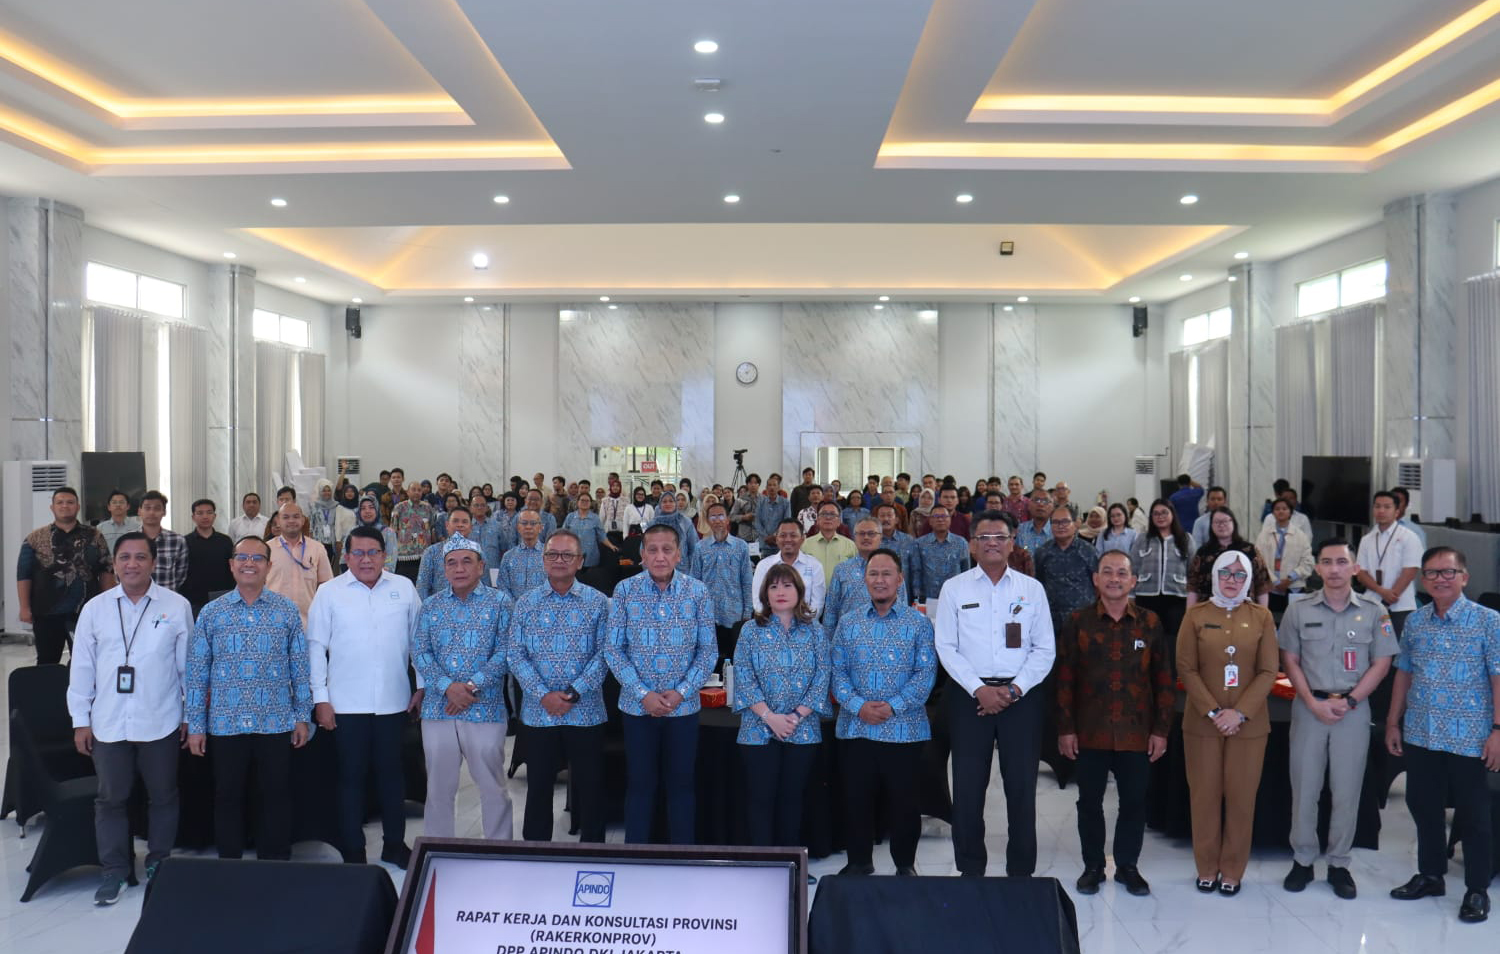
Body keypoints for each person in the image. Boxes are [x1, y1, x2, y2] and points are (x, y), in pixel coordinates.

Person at [67, 532, 193, 905]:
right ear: (115, 564)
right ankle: (115, 870)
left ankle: (159, 863)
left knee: (163, 796)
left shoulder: (176, 606)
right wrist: (80, 719)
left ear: (153, 562)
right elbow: (82, 668)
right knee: (110, 800)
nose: (132, 564)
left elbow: (188, 668)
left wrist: (190, 716)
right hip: (108, 721)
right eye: (125, 557)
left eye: (140, 557)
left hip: (162, 717)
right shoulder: (96, 608)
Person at [933, 511, 1056, 877]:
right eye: (984, 536)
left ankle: (1021, 872)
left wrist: (1013, 690)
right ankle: (970, 870)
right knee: (968, 790)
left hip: (1021, 697)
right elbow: (947, 647)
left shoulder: (1031, 589)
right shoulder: (954, 588)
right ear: (971, 543)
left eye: (999, 536)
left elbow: (1044, 649)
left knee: (1021, 789)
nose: (992, 543)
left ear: (1012, 542)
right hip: (969, 697)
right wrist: (980, 689)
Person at [1385, 546, 1499, 924]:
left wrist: (1498, 730)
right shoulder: (1416, 622)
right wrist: (1392, 721)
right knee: (1423, 807)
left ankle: (1477, 889)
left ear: (1464, 577)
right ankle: (1431, 875)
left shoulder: (1488, 621)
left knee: (1474, 816)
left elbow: (1499, 679)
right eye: (1432, 573)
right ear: (1423, 579)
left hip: (1470, 735)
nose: (1440, 579)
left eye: (1448, 572)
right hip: (1421, 732)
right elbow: (1403, 671)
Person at [1279, 539, 1397, 900]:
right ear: (1317, 569)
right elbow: (1289, 660)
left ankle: (1339, 864)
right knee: (1305, 789)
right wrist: (1312, 703)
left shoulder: (1375, 611)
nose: (1334, 569)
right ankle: (1302, 860)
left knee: (1346, 791)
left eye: (1341, 562)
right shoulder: (1298, 610)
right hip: (1309, 708)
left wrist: (1350, 700)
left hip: (1353, 713)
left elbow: (1382, 662)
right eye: (1326, 562)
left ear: (1354, 568)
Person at [187, 536, 312, 861]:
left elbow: (299, 667)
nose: (249, 563)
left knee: (275, 795)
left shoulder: (286, 610)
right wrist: (196, 725)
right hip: (225, 724)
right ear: (231, 565)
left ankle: (275, 864)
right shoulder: (211, 614)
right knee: (227, 795)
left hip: (275, 721)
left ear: (268, 567)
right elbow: (198, 673)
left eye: (257, 558)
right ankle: (231, 865)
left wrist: (303, 715)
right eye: (242, 557)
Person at [1056, 549, 1173, 897]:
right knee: (1088, 802)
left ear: (1133, 581)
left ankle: (1127, 866)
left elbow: (1164, 681)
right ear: (1096, 579)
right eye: (1107, 572)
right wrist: (1065, 728)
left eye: (1122, 573)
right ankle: (1093, 866)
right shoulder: (1078, 621)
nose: (1114, 579)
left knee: (1134, 803)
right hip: (1090, 730)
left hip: (1137, 732)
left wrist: (1161, 730)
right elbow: (1064, 680)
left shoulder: (1150, 623)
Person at [307, 525, 423, 867]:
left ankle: (394, 845)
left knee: (392, 776)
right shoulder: (329, 592)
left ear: (384, 556)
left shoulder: (403, 588)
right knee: (351, 778)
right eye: (358, 553)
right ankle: (353, 850)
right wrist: (320, 698)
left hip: (393, 701)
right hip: (345, 704)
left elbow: (420, 644)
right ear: (345, 557)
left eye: (373, 552)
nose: (366, 559)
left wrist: (421, 686)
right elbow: (316, 649)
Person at [606, 523, 717, 844]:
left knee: (681, 786)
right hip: (638, 708)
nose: (659, 556)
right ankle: (637, 858)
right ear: (641, 555)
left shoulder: (697, 592)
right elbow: (614, 649)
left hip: (683, 709)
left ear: (679, 554)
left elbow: (707, 650)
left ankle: (683, 858)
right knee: (640, 786)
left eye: (667, 549)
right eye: (652, 550)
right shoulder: (625, 591)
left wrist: (682, 691)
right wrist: (643, 694)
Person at [1177, 550, 1279, 895]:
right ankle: (1206, 867)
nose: (1232, 581)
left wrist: (1239, 712)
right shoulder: (1196, 616)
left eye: (1239, 575)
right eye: (1225, 574)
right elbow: (1186, 668)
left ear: (1248, 578)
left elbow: (1268, 671)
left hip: (1248, 726)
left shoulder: (1262, 616)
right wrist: (1213, 711)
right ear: (1214, 577)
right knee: (1204, 796)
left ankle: (1233, 870)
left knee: (1241, 798)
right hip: (1202, 724)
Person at [831, 549, 936, 876]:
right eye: (873, 574)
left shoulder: (918, 623)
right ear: (865, 580)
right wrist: (858, 706)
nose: (879, 580)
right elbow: (837, 672)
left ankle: (905, 865)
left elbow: (926, 673)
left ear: (899, 579)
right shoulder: (848, 623)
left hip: (904, 730)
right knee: (856, 801)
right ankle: (860, 862)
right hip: (856, 728)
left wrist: (892, 706)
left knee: (905, 805)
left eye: (886, 573)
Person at [509, 529, 612, 843]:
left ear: (580, 561)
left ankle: (594, 849)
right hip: (540, 713)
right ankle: (536, 850)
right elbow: (516, 654)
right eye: (552, 554)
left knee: (591, 785)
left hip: (586, 711)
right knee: (538, 785)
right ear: (543, 560)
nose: (559, 560)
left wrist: (574, 691)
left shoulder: (598, 603)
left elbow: (606, 652)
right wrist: (543, 695)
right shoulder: (526, 603)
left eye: (567, 555)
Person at [412, 535, 513, 839]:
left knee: (492, 787)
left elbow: (507, 651)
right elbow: (420, 651)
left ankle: (500, 852)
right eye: (451, 563)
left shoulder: (501, 603)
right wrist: (447, 687)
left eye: (467, 561)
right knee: (438, 789)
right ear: (444, 570)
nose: (459, 568)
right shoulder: (431, 606)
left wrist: (469, 687)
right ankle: (439, 851)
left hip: (485, 708)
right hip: (438, 709)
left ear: (481, 567)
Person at [735, 563, 831, 848]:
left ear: (799, 591)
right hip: (757, 729)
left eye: (787, 585)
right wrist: (769, 717)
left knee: (793, 798)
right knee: (761, 798)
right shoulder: (750, 631)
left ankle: (792, 864)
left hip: (802, 729)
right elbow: (743, 676)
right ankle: (764, 865)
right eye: (773, 586)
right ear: (765, 593)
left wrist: (795, 717)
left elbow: (823, 675)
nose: (780, 592)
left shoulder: (814, 631)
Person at [16, 486, 114, 664]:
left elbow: (106, 570)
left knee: (86, 660)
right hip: (46, 612)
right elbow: (24, 574)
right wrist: (24, 607)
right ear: (52, 507)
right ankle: (50, 692)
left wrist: (109, 604)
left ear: (77, 507)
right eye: (60, 502)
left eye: (70, 502)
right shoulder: (35, 538)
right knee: (47, 661)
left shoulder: (94, 536)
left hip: (86, 611)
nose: (65, 506)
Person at [1133, 499, 1196, 671]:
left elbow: (1193, 571)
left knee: (1173, 639)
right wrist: (1131, 596)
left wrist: (1192, 600)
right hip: (1147, 597)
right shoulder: (1143, 539)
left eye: (1164, 512)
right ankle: (1147, 673)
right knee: (1147, 637)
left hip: (1176, 597)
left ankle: (1171, 675)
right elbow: (1133, 568)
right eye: (1156, 513)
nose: (1160, 517)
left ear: (1172, 515)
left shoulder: (1185, 538)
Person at [687, 500, 754, 663]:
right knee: (710, 663)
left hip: (735, 614)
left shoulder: (741, 546)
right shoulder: (700, 547)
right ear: (708, 520)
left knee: (735, 662)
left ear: (727, 519)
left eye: (720, 516)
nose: (717, 520)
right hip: (707, 615)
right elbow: (694, 582)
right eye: (713, 517)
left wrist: (747, 613)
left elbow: (746, 581)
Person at [823, 519, 910, 637]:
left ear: (880, 538)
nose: (866, 537)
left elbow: (902, 605)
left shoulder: (893, 568)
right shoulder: (842, 570)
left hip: (886, 638)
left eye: (871, 534)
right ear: (854, 538)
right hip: (848, 638)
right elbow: (831, 610)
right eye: (861, 534)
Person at [1355, 491, 1424, 636]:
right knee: (1374, 646)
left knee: (1398, 647)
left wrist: (1391, 596)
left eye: (1387, 507)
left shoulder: (1409, 537)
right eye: (1377, 506)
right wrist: (1381, 592)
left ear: (1397, 511)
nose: (1381, 511)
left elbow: (1410, 571)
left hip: (1400, 604)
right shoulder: (1367, 539)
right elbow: (1361, 573)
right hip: (1372, 602)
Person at [266, 501, 333, 626]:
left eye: (296, 517)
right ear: (278, 522)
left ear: (303, 520)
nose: (291, 521)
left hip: (308, 624)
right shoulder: (266, 549)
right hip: (274, 624)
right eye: (286, 517)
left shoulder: (317, 548)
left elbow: (326, 586)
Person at [1186, 508, 1271, 607]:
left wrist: (1263, 614)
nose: (1221, 525)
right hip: (1208, 610)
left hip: (1244, 610)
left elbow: (1262, 585)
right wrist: (1189, 614)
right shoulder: (1203, 552)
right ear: (1211, 526)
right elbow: (1193, 587)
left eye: (1225, 521)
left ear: (1233, 523)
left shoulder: (1249, 550)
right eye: (1217, 522)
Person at [1032, 508, 1099, 633]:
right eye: (1056, 522)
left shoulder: (1088, 551)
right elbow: (1039, 582)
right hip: (1051, 619)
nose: (1060, 526)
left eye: (1065, 521)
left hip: (1083, 619)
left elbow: (1098, 584)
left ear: (1075, 524)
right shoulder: (1042, 552)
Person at [751, 519, 827, 615]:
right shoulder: (764, 566)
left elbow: (817, 604)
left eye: (793, 535)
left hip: (805, 625)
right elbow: (758, 601)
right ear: (776, 539)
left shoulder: (815, 566)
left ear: (802, 539)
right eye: (783, 535)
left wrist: (803, 624)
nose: (788, 539)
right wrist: (773, 624)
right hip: (770, 625)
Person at [417, 506, 490, 600]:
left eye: (464, 522)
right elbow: (422, 587)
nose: (460, 525)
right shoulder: (431, 552)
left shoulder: (478, 553)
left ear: (471, 527)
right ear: (447, 525)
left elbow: (486, 585)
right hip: (439, 609)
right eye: (455, 521)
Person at [1255, 498, 1314, 614]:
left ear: (1290, 512)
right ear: (1272, 513)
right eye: (1277, 509)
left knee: (1295, 621)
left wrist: (1289, 579)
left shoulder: (1301, 536)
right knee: (1270, 620)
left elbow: (1308, 562)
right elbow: (1258, 559)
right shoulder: (1264, 535)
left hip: (1294, 587)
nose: (1281, 511)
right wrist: (1274, 581)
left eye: (1284, 509)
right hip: (1270, 588)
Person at [181, 498, 235, 617]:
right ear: (193, 517)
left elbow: (232, 569)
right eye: (200, 513)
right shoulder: (185, 542)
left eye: (209, 512)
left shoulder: (225, 541)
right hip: (193, 600)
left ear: (215, 516)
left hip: (222, 598)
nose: (205, 516)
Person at [910, 503, 969, 604]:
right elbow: (916, 571)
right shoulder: (919, 543)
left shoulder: (961, 542)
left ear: (949, 520)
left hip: (954, 597)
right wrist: (917, 597)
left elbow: (966, 571)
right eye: (936, 516)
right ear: (930, 521)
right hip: (928, 599)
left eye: (944, 516)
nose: (940, 519)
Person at [137, 490, 187, 592]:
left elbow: (181, 576)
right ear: (139, 511)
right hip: (135, 599)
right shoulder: (128, 540)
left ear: (164, 512)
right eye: (147, 508)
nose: (152, 512)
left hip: (167, 601)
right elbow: (120, 572)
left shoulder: (178, 541)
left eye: (157, 508)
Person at [390, 481, 437, 581]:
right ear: (408, 492)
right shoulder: (399, 507)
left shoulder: (428, 508)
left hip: (423, 554)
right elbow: (393, 529)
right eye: (414, 490)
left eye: (419, 490)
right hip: (405, 555)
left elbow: (432, 527)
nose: (416, 492)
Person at [805, 501, 857, 582]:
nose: (828, 517)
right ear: (818, 520)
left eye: (832, 514)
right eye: (824, 514)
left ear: (839, 521)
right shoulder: (805, 545)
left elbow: (855, 574)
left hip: (841, 593)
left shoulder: (850, 545)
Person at [499, 509, 546, 599]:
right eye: (524, 523)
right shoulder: (508, 556)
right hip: (514, 610)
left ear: (540, 527)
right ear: (518, 528)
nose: (528, 527)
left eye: (533, 523)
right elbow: (503, 586)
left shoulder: (550, 555)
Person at [344, 493, 398, 572]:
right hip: (355, 577)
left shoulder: (388, 533)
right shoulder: (352, 532)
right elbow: (344, 558)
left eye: (371, 507)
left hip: (381, 578)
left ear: (377, 510)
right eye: (363, 508)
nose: (367, 511)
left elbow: (390, 560)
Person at [308, 478, 352, 566]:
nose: (326, 493)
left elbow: (339, 523)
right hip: (318, 539)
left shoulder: (336, 506)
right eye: (324, 490)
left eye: (329, 491)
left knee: (329, 564)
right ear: (320, 492)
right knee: (318, 564)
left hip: (332, 540)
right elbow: (311, 526)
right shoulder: (314, 506)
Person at [648, 490, 697, 565]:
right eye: (664, 501)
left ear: (675, 503)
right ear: (660, 505)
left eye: (671, 501)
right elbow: (645, 548)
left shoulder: (685, 522)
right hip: (659, 567)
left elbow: (693, 548)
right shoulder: (653, 524)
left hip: (682, 569)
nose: (668, 504)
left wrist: (691, 569)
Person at [875, 502, 916, 579]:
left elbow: (915, 569)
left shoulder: (908, 540)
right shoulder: (872, 541)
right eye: (882, 515)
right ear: (876, 520)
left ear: (896, 520)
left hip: (903, 588)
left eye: (889, 515)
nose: (886, 519)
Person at [755, 474, 790, 557]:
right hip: (764, 544)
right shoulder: (761, 502)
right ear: (766, 488)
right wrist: (766, 537)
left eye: (774, 485)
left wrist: (775, 536)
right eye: (769, 485)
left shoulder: (785, 503)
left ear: (778, 488)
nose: (772, 487)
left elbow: (786, 521)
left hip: (779, 543)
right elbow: (757, 522)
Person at [96, 490, 140, 554]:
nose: (118, 505)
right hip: (108, 563)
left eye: (121, 502)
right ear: (109, 507)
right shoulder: (100, 528)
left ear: (128, 506)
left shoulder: (137, 527)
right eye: (114, 502)